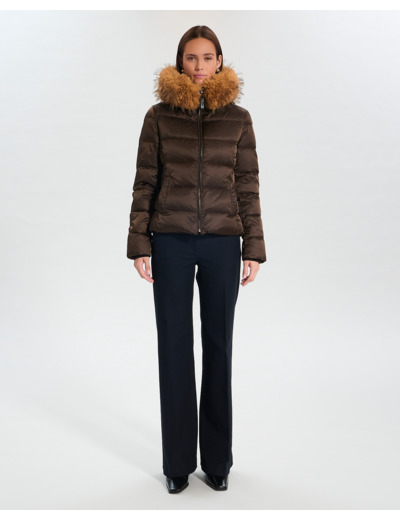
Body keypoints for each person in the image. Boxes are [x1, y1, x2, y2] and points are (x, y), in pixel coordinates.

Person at [127, 25, 267, 494]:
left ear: (220, 61)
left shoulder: (239, 118)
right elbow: (145, 182)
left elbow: (247, 185)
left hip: (223, 243)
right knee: (173, 347)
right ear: (180, 61)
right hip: (170, 239)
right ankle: (177, 464)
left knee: (218, 348)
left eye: (208, 58)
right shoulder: (158, 116)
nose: (200, 67)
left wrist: (254, 248)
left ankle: (219, 461)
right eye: (192, 58)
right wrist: (140, 243)